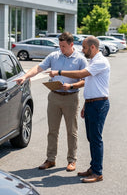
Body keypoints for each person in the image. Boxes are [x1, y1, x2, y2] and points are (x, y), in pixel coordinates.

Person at [15, 32, 87, 172]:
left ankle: (72, 160)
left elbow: (86, 80)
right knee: (52, 130)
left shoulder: (80, 59)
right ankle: (50, 159)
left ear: (72, 45)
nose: (61, 48)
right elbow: (38, 68)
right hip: (54, 96)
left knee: (71, 131)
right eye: (59, 45)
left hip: (71, 98)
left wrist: (71, 86)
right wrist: (25, 76)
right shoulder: (54, 56)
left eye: (64, 46)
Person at [47, 35, 110, 183]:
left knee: (96, 139)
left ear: (92, 47)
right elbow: (88, 83)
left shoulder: (100, 61)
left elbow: (82, 75)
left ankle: (97, 173)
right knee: (91, 138)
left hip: (99, 104)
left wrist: (59, 72)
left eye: (84, 47)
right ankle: (93, 168)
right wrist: (85, 104)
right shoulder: (93, 60)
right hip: (92, 103)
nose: (82, 50)